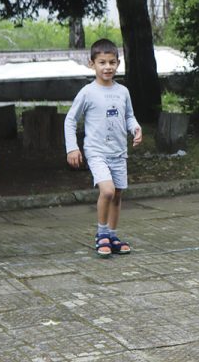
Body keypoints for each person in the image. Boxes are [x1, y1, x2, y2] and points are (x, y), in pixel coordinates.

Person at [64, 39, 142, 258]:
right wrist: (72, 148)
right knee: (107, 191)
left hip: (119, 152)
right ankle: (101, 234)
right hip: (96, 151)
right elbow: (70, 120)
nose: (107, 67)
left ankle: (113, 236)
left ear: (118, 63)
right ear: (92, 64)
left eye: (112, 62)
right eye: (102, 62)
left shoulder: (123, 91)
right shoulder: (87, 92)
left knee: (117, 194)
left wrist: (135, 128)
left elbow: (129, 116)